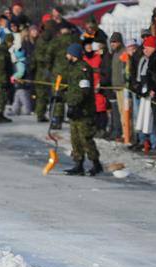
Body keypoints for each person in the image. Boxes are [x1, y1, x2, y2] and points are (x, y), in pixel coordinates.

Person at [60, 43, 101, 176]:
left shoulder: (83, 68)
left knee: (85, 138)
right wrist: (63, 94)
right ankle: (78, 163)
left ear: (74, 55)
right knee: (75, 138)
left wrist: (75, 105)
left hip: (84, 110)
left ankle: (96, 163)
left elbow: (84, 90)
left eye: (68, 53)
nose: (66, 56)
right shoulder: (73, 68)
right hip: (75, 109)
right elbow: (74, 88)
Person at [0, 32, 14, 123]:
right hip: (2, 77)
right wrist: (5, 77)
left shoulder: (3, 50)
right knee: (2, 96)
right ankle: (0, 115)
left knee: (3, 96)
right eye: (11, 42)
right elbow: (1, 66)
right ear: (8, 42)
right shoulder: (3, 51)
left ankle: (1, 114)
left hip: (3, 76)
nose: (12, 44)